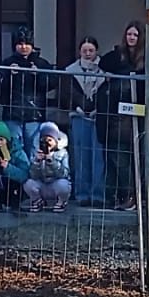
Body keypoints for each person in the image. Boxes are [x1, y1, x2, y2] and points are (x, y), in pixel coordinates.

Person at [101, 22, 149, 211]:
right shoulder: (118, 57)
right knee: (121, 157)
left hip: (142, 112)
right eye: (129, 34)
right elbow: (104, 63)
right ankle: (129, 195)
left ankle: (143, 196)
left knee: (143, 156)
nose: (131, 38)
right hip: (120, 115)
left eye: (135, 35)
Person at [64, 36, 110, 207]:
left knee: (98, 157)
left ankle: (98, 195)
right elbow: (68, 93)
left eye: (91, 50)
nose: (88, 53)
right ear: (80, 51)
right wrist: (79, 106)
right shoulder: (70, 71)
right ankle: (82, 194)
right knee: (81, 156)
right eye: (85, 50)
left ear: (96, 51)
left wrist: (97, 107)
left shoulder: (105, 70)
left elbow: (106, 91)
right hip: (78, 116)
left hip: (98, 117)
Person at [0, 25, 56, 126]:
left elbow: (52, 84)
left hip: (35, 113)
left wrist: (38, 74)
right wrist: (9, 73)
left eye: (27, 44)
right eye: (20, 44)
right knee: (14, 136)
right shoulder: (8, 62)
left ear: (32, 45)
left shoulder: (41, 63)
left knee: (32, 136)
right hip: (12, 113)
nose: (23, 47)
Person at [23, 122, 71, 212]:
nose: (47, 143)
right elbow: (32, 175)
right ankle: (37, 201)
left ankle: (61, 201)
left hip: (55, 184)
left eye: (50, 140)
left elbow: (65, 174)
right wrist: (37, 162)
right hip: (41, 184)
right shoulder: (36, 152)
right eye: (44, 140)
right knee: (28, 183)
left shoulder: (62, 153)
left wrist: (52, 162)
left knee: (64, 185)